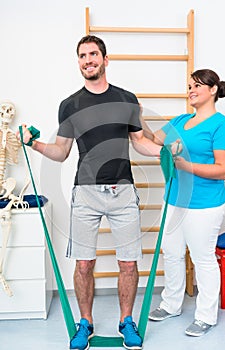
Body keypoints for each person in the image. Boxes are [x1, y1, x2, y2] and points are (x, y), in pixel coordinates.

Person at [18, 35, 179, 350]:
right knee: (83, 264)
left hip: (123, 192)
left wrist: (165, 150)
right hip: (85, 193)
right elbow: (61, 151)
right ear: (78, 62)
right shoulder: (70, 105)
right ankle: (85, 323)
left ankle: (126, 322)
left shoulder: (127, 99)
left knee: (129, 263)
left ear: (105, 59)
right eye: (82, 56)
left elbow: (140, 142)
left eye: (93, 54)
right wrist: (33, 144)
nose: (87, 60)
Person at [148, 69, 225, 337]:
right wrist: (133, 117)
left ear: (213, 90)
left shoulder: (222, 125)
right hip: (174, 200)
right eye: (189, 86)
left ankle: (205, 316)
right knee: (171, 253)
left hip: (205, 203)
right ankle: (171, 304)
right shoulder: (181, 120)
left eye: (197, 85)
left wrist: (188, 165)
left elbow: (224, 170)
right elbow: (151, 142)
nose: (191, 90)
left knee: (202, 258)